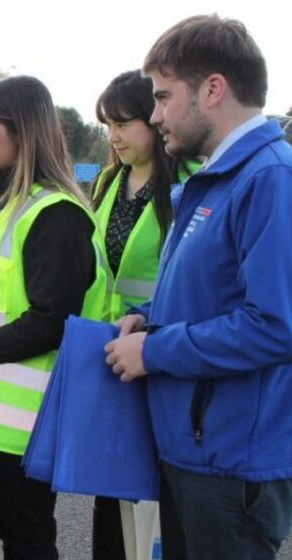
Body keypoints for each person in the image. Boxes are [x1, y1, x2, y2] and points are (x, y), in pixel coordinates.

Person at [105, 14, 292, 560]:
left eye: (163, 97)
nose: (156, 114)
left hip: (231, 467)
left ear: (213, 89)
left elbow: (277, 326)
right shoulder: (213, 179)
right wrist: (147, 316)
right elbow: (211, 297)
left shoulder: (269, 178)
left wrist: (154, 350)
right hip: (194, 454)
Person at [0, 75, 109, 559]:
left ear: (20, 131)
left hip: (31, 423)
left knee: (28, 540)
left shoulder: (55, 216)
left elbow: (50, 320)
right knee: (18, 536)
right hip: (2, 418)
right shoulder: (11, 207)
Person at [89, 69, 196, 560]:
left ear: (155, 121)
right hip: (110, 355)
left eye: (125, 123)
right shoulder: (110, 181)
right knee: (110, 492)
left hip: (159, 358)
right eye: (107, 124)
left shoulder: (187, 185)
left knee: (156, 498)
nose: (113, 136)